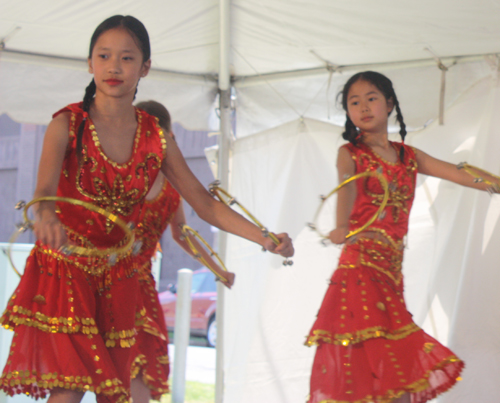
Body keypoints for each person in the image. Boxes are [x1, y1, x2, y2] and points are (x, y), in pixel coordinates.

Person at [0, 15, 293, 403]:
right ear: (90, 63)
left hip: (119, 277)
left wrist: (265, 237)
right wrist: (47, 215)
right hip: (66, 270)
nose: (114, 67)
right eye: (103, 56)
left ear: (145, 67)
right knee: (68, 390)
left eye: (126, 58)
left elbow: (204, 204)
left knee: (119, 392)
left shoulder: (156, 138)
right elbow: (43, 192)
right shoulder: (68, 124)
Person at [305, 71, 497, 403]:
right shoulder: (349, 153)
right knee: (381, 359)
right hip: (360, 268)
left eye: (371, 98)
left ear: (390, 103)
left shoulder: (410, 156)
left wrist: (493, 183)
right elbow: (346, 197)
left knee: (391, 364)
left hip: (391, 272)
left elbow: (456, 172)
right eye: (354, 102)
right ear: (348, 112)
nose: (363, 107)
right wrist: (341, 228)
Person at [130, 100, 234, 402]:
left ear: (168, 138)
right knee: (96, 365)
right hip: (106, 279)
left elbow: (183, 235)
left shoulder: (171, 186)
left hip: (142, 288)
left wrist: (218, 269)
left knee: (140, 367)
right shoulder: (119, 173)